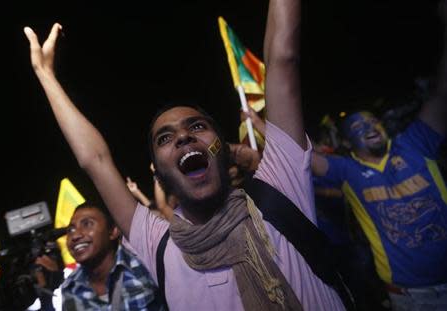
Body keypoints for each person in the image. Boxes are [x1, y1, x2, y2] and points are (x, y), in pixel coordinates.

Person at [24, 0, 347, 309]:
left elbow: (282, 58)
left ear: (223, 149)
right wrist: (45, 75)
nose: (183, 136)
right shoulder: (158, 245)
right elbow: (95, 160)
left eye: (197, 126)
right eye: (165, 137)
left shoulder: (281, 188)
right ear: (160, 174)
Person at [310, 4, 447, 310]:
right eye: (358, 126)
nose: (369, 126)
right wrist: (259, 123)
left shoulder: (415, 141)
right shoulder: (346, 170)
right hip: (413, 299)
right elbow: (298, 154)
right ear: (346, 141)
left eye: (373, 121)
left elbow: (442, 93)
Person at [61, 202, 162, 310]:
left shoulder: (146, 267)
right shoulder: (70, 289)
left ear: (113, 231)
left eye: (87, 224)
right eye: (71, 230)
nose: (75, 235)